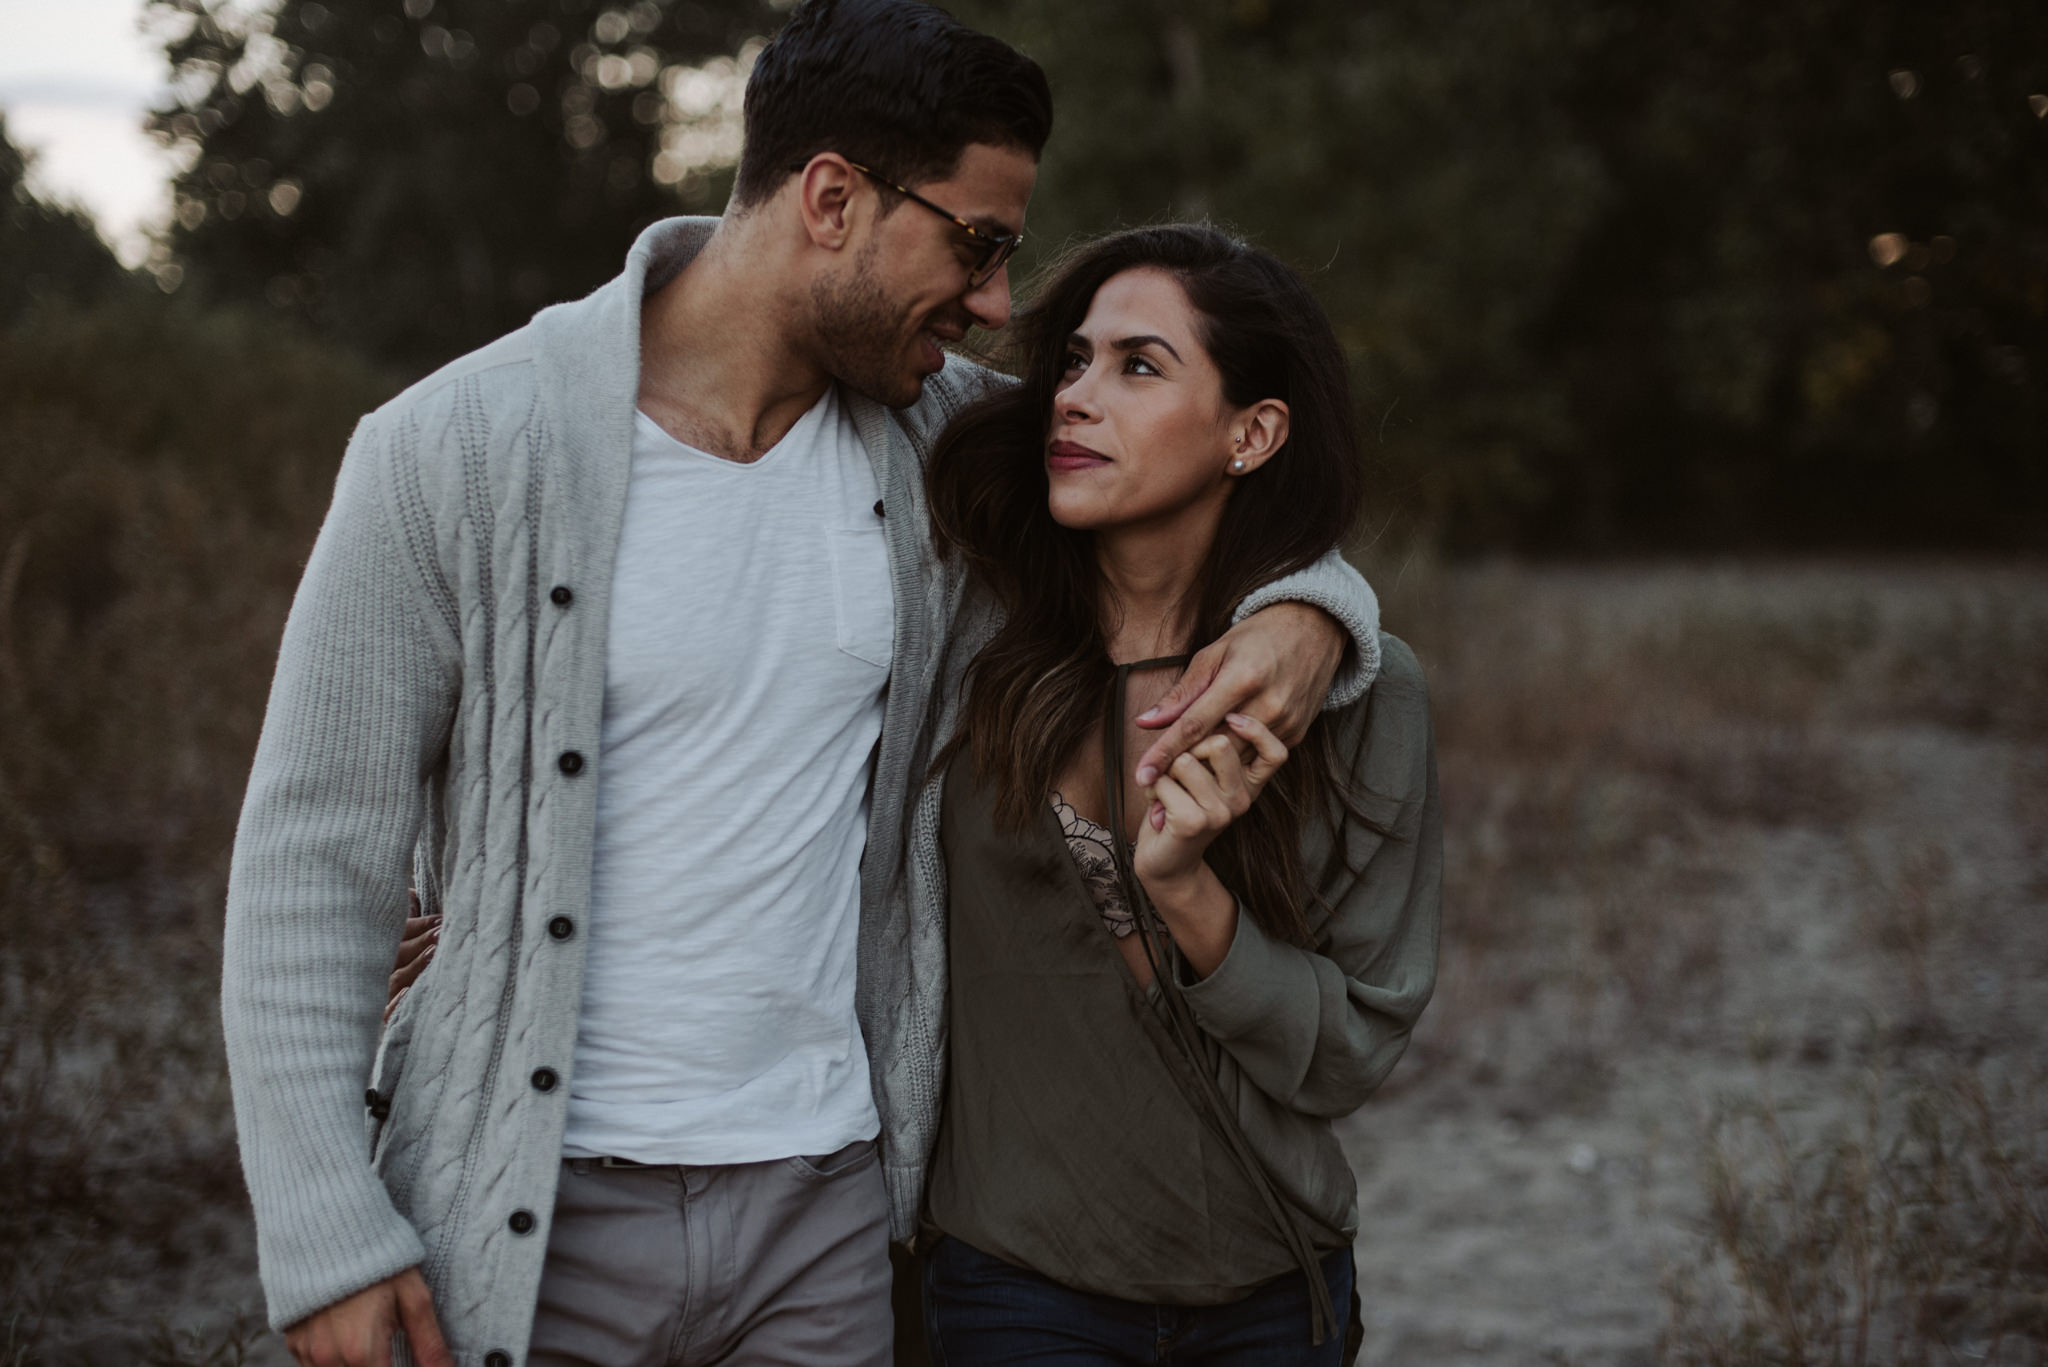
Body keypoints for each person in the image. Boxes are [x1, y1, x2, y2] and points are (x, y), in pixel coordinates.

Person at [220, 2, 1381, 1366]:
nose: (999, 305)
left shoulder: (947, 447)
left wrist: (1314, 609)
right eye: (977, 243)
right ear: (832, 197)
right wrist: (324, 1232)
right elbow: (312, 858)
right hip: (533, 1208)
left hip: (830, 1212)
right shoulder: (456, 450)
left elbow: (1198, 496)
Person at [907, 226, 1442, 1364]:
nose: (1074, 398)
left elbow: (1350, 1047)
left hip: (1268, 1279)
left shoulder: (1360, 692)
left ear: (1250, 433)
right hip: (1014, 1278)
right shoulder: (963, 639)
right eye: (1071, 362)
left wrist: (1188, 892)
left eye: (1137, 366)